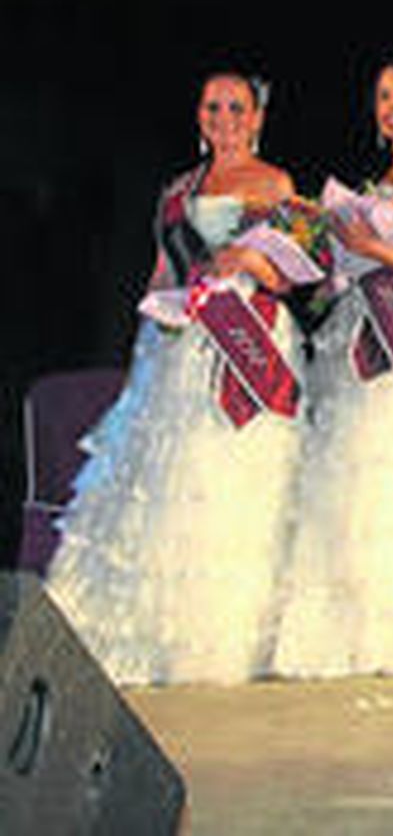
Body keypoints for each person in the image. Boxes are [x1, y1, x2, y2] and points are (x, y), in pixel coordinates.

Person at [48, 69, 303, 685]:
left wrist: (247, 260)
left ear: (258, 117)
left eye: (236, 107)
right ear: (199, 115)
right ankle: (160, 633)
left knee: (233, 478)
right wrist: (158, 310)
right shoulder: (176, 190)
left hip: (246, 343)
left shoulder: (275, 184)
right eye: (213, 106)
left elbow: (292, 277)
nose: (224, 118)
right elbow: (164, 272)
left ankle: (226, 639)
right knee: (173, 476)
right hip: (180, 350)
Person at [272, 49, 393, 677]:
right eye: (384, 96)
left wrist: (370, 245)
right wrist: (329, 254)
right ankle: (353, 622)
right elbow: (357, 257)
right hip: (363, 328)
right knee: (356, 474)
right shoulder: (377, 178)